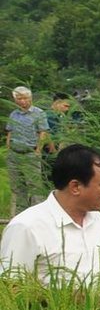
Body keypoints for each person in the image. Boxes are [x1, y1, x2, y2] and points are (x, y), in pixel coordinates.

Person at [0, 145, 100, 289]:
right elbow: (10, 289)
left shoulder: (97, 219)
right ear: (75, 187)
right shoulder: (27, 227)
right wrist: (62, 299)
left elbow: (97, 276)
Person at [6, 86, 50, 217]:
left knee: (34, 186)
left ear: (30, 98)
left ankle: (38, 216)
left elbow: (43, 132)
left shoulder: (39, 113)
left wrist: (38, 150)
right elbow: (10, 131)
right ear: (15, 100)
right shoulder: (13, 114)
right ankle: (18, 215)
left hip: (30, 153)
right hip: (14, 153)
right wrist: (8, 148)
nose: (23, 101)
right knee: (17, 186)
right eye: (19, 98)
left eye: (25, 98)